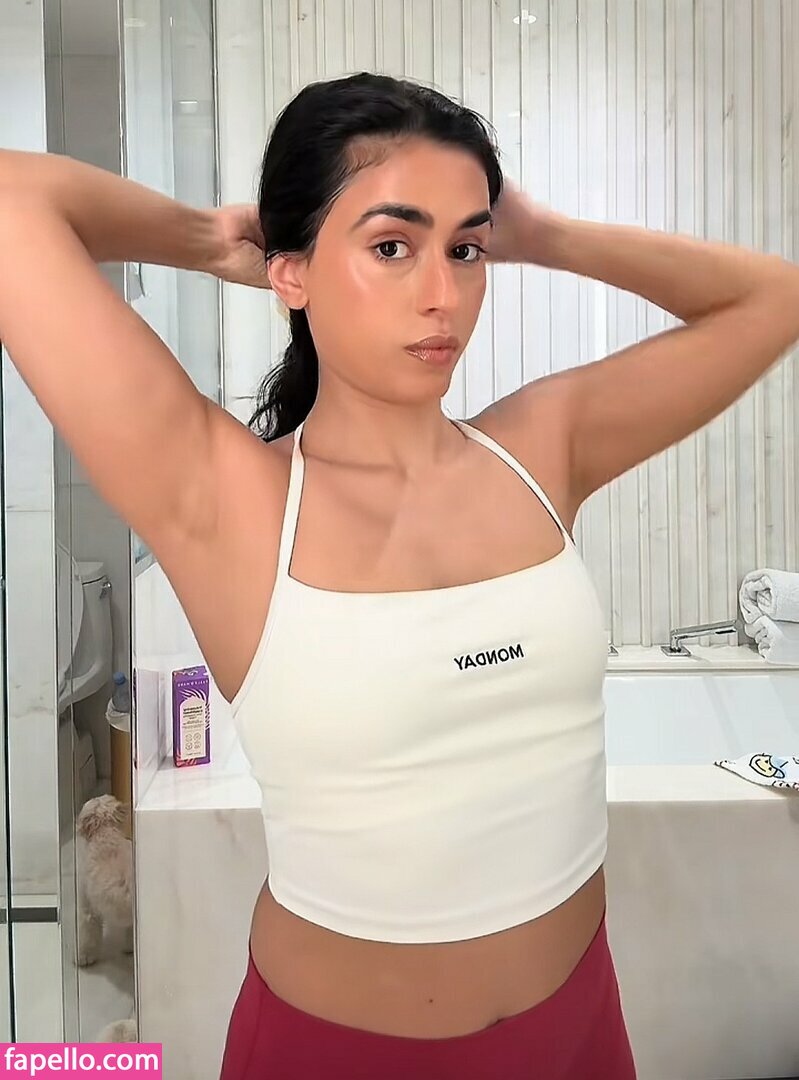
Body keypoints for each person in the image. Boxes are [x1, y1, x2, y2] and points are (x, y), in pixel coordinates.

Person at [1, 70, 798, 1080]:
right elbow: (13, 200)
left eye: (465, 250)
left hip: (581, 1029)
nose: (442, 295)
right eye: (391, 246)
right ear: (293, 271)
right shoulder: (228, 500)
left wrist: (539, 235)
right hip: (331, 1053)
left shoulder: (540, 449)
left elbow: (772, 300)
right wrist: (209, 240)